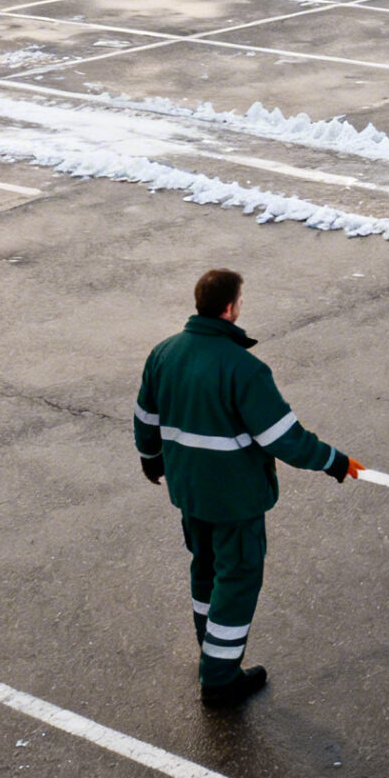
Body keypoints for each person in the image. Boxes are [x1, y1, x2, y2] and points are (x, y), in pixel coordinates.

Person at [134, 268, 362, 708]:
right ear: (229, 308)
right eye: (241, 300)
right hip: (234, 499)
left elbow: (146, 419)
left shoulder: (163, 354)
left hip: (189, 492)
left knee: (204, 571)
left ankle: (209, 651)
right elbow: (284, 438)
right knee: (236, 581)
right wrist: (334, 462)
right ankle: (219, 680)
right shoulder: (244, 369)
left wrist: (151, 461)